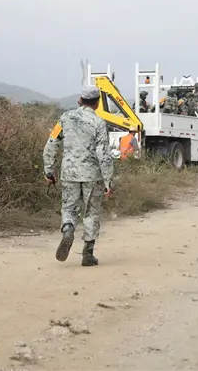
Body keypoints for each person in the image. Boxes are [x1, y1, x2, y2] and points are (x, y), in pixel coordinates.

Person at [43, 86, 116, 267]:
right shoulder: (99, 123)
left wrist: (49, 170)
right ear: (97, 103)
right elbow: (104, 154)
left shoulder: (65, 118)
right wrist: (108, 181)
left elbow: (52, 143)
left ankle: (68, 228)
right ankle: (87, 254)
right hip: (93, 175)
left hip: (69, 173)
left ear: (80, 100)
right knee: (91, 213)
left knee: (69, 208)